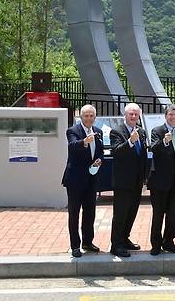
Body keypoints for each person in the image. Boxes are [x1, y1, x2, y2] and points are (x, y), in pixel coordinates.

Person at [148, 104, 175, 256]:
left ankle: (169, 241)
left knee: (173, 215)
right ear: (165, 116)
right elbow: (154, 149)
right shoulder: (157, 131)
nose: (173, 117)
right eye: (170, 115)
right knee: (158, 214)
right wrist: (165, 142)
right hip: (159, 181)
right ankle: (156, 244)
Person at [63, 104, 104, 258]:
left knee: (90, 212)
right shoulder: (73, 131)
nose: (89, 118)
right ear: (81, 117)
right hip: (75, 180)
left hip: (91, 178)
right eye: (86, 116)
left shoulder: (98, 132)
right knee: (74, 213)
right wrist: (84, 142)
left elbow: (100, 151)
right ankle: (75, 245)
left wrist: (99, 160)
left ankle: (87, 241)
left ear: (95, 117)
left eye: (91, 116)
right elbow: (72, 146)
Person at [109, 102, 149, 257]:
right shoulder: (116, 131)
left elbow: (143, 155)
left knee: (132, 212)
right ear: (124, 115)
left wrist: (145, 176)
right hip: (123, 181)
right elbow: (117, 152)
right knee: (120, 214)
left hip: (137, 181)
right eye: (130, 114)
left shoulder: (142, 131)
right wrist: (130, 141)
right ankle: (116, 245)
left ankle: (125, 238)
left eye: (136, 114)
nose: (133, 117)